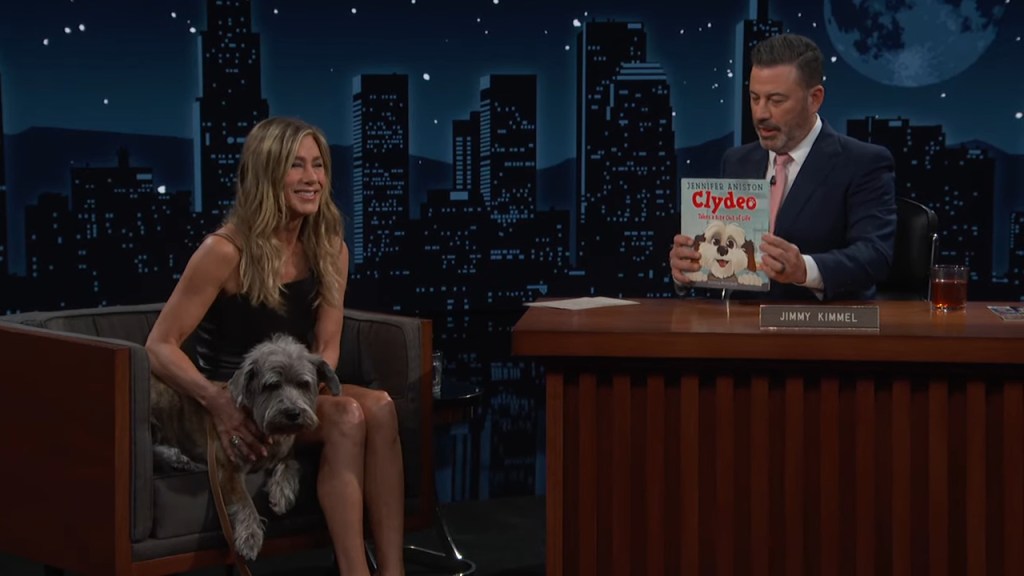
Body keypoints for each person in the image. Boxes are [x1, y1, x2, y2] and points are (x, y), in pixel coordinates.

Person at [146, 117, 405, 576]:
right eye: (296, 166)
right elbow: (159, 346)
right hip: (238, 393)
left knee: (380, 406)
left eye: (319, 165)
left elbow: (326, 346)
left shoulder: (330, 247)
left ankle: (392, 570)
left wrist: (302, 394)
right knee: (347, 414)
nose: (312, 179)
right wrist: (219, 403)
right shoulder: (225, 250)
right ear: (267, 174)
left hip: (296, 385)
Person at [669, 33, 896, 301]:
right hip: (740, 329)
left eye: (776, 101)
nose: (761, 114)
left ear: (815, 98)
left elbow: (874, 255)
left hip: (820, 330)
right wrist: (688, 271)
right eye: (755, 98)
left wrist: (804, 269)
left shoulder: (863, 162)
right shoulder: (736, 161)